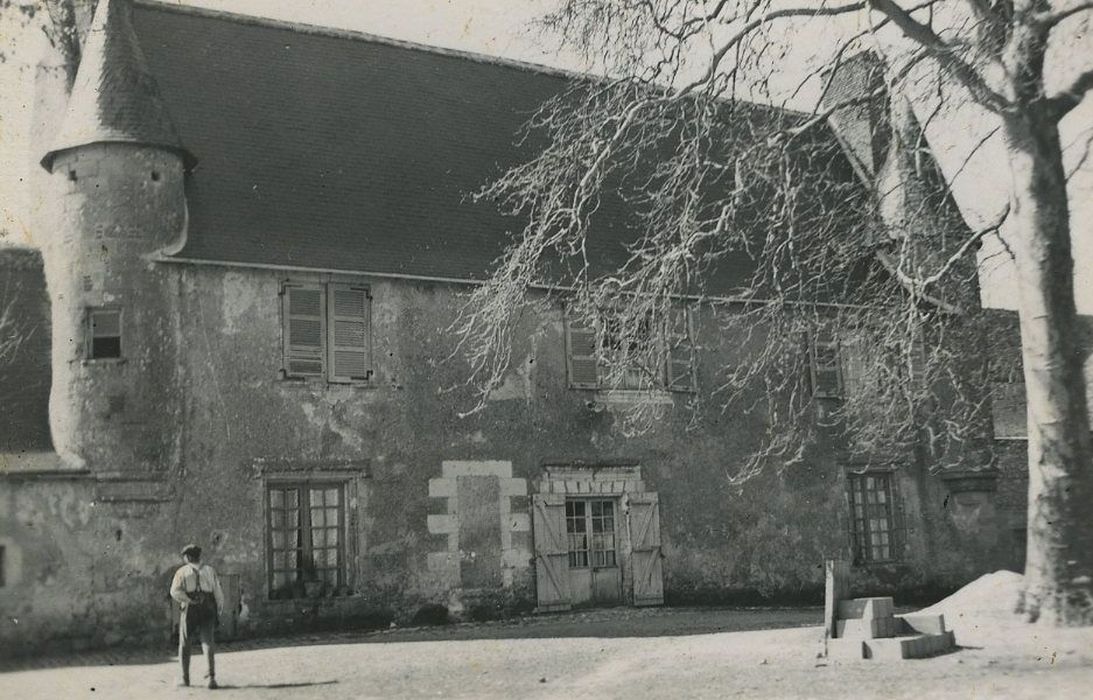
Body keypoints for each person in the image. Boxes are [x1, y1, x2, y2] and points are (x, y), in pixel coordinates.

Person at [170, 544, 225, 689]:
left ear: (187, 557)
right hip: (208, 607)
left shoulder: (182, 572)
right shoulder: (209, 571)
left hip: (190, 608)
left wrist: (188, 600)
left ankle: (184, 678)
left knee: (185, 642)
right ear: (199, 556)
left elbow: (174, 592)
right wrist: (219, 609)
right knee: (207, 641)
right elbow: (217, 591)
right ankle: (211, 677)